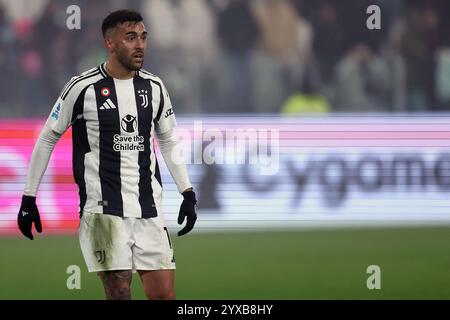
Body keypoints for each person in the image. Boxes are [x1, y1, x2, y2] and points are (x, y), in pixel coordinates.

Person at [16, 9, 197, 300]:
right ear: (110, 44)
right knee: (119, 293)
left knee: (165, 296)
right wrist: (28, 198)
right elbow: (48, 137)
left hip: (149, 209)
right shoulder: (82, 88)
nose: (140, 45)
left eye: (143, 37)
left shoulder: (155, 87)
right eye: (130, 37)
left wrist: (187, 191)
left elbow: (167, 139)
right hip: (103, 212)